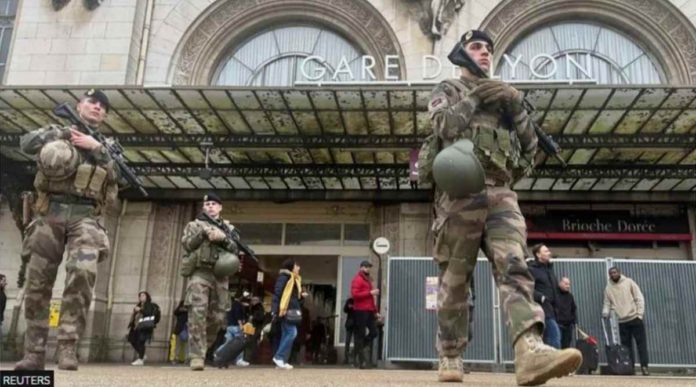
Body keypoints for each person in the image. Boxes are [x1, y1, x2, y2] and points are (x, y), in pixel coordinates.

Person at [427, 30, 581, 384]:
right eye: (477, 47)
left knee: (515, 266)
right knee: (454, 282)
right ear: (462, 53)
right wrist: (478, 96)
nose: (484, 53)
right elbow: (444, 126)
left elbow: (529, 149)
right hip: (459, 195)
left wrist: (514, 105)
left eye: (489, 49)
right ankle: (450, 354)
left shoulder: (506, 100)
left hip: (501, 193)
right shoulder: (448, 90)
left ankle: (529, 348)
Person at [15, 89, 123, 371]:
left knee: (82, 277)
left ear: (106, 115)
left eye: (103, 106)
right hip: (50, 212)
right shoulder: (57, 130)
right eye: (92, 102)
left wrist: (95, 147)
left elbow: (118, 176)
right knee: (38, 281)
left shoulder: (107, 144)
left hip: (86, 217)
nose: (97, 108)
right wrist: (61, 134)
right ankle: (34, 353)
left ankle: (67, 346)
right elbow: (25, 143)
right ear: (80, 106)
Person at [181, 192, 241, 371]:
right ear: (203, 207)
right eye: (207, 204)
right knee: (197, 312)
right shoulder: (194, 225)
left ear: (220, 208)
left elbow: (236, 249)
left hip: (221, 275)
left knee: (219, 317)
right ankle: (197, 356)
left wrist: (223, 238)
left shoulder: (228, 228)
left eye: (214, 204)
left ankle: (203, 348)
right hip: (201, 273)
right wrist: (203, 234)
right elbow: (187, 245)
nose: (210, 207)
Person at [602, 267, 649, 376]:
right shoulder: (608, 288)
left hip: (635, 318)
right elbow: (607, 303)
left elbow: (639, 297)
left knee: (641, 345)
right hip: (622, 321)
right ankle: (629, 367)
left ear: (619, 273)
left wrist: (639, 314)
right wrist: (605, 312)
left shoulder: (629, 282)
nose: (613, 274)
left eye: (615, 272)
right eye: (611, 273)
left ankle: (644, 367)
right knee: (626, 348)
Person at [271, 258, 305, 370]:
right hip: (284, 310)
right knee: (292, 333)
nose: (298, 268)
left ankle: (282, 360)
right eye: (297, 266)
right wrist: (275, 310)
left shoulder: (294, 280)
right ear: (291, 267)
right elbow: (277, 294)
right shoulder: (284, 278)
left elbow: (294, 298)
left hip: (290, 310)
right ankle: (279, 357)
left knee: (286, 334)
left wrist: (301, 297)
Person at [528, 244, 561, 349]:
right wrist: (541, 297)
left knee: (548, 340)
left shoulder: (549, 270)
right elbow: (526, 288)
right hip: (541, 310)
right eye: (546, 251)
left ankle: (547, 364)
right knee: (554, 338)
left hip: (553, 310)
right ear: (538, 254)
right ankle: (555, 364)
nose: (549, 253)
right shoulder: (531, 269)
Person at [350, 260, 379, 369]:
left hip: (369, 310)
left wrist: (376, 312)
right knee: (360, 334)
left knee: (374, 332)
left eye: (369, 267)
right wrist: (370, 292)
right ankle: (361, 361)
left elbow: (371, 299)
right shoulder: (357, 279)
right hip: (360, 310)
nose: (368, 269)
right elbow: (355, 294)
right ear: (361, 267)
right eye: (366, 267)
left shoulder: (367, 280)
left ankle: (356, 350)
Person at [127, 291, 159, 366]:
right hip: (135, 326)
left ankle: (140, 359)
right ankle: (142, 355)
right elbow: (134, 315)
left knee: (141, 342)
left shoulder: (149, 305)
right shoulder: (139, 304)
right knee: (131, 339)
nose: (141, 297)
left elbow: (148, 313)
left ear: (147, 297)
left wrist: (140, 310)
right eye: (140, 296)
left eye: (143, 295)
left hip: (144, 326)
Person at [220, 291, 250, 367]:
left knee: (228, 342)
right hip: (236, 326)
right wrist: (241, 325)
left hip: (229, 326)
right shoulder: (238, 305)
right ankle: (239, 360)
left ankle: (218, 352)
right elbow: (238, 315)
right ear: (240, 297)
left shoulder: (231, 304)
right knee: (239, 343)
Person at [556, 277, 577, 349]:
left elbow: (573, 309)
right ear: (560, 283)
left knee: (566, 346)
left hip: (568, 326)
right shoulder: (555, 295)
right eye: (566, 284)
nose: (568, 286)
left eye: (569, 284)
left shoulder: (570, 296)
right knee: (557, 345)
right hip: (558, 324)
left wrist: (574, 321)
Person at [171, 300, 189, 364]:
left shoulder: (189, 311)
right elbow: (175, 312)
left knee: (186, 345)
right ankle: (176, 358)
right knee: (178, 345)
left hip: (186, 329)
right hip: (180, 329)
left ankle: (186, 358)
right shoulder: (179, 310)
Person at [343, 297, 355, 365]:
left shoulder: (359, 301)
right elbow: (345, 310)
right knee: (347, 341)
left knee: (357, 341)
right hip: (350, 324)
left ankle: (354, 357)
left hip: (357, 324)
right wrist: (348, 305)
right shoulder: (350, 300)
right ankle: (346, 358)